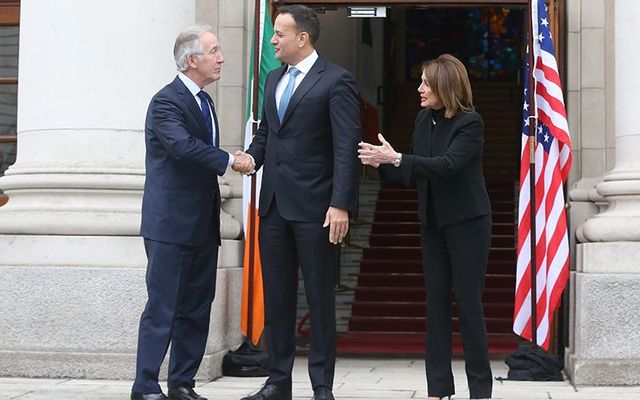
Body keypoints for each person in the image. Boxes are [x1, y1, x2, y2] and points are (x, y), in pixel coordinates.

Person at [235, 5, 360, 400]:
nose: (273, 40)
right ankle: (278, 382)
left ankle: (322, 385)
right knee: (278, 298)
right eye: (272, 34)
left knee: (320, 299)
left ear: (301, 38)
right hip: (273, 206)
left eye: (279, 34)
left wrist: (340, 204)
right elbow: (268, 134)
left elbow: (345, 148)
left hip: (317, 209)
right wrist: (251, 158)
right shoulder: (273, 78)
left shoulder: (337, 81)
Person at [358, 54, 493, 400]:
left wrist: (399, 159)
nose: (418, 88)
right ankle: (438, 389)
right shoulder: (423, 119)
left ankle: (480, 390)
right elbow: (414, 169)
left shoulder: (470, 123)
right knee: (435, 304)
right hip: (432, 224)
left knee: (468, 304)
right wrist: (381, 163)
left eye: (425, 83)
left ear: (444, 86)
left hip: (468, 224)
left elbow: (446, 166)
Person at [132, 25, 254, 400]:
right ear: (191, 60)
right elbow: (182, 147)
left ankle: (182, 383)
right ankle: (146, 386)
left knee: (198, 308)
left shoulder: (206, 102)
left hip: (203, 225)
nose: (222, 58)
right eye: (214, 51)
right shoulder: (166, 102)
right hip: (169, 225)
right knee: (163, 307)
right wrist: (230, 160)